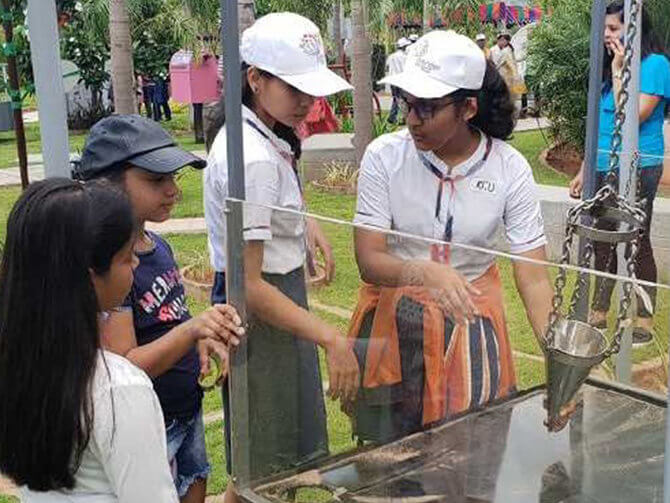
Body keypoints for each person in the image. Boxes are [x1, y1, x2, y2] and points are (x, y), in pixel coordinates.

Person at [347, 30, 557, 442]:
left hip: (472, 324)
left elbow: (533, 276)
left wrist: (557, 360)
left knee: (470, 454)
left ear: (468, 108)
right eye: (407, 102)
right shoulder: (385, 156)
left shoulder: (508, 168)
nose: (411, 118)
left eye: (427, 107)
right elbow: (369, 259)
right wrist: (426, 274)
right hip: (398, 324)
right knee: (393, 459)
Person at [204, 11, 360, 500]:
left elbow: (271, 204)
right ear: (256, 79)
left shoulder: (261, 134)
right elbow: (247, 283)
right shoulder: (251, 156)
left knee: (272, 466)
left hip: (277, 300)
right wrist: (331, 338)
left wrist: (304, 222)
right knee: (264, 474)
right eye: (295, 89)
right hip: (262, 311)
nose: (307, 102)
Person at [74, 115, 244, 503]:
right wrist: (192, 330)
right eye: (155, 180)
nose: (172, 191)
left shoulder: (158, 247)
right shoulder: (111, 274)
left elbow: (171, 318)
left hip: (186, 408)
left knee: (194, 483)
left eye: (173, 179)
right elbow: (125, 364)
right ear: (107, 184)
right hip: (148, 424)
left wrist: (198, 340)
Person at [0, 179, 178, 501]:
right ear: (89, 275)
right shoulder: (118, 389)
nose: (136, 264)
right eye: (126, 258)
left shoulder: (17, 366)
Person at [569, 0, 670, 345]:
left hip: (639, 165)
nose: (607, 36)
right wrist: (585, 169)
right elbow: (599, 125)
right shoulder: (603, 69)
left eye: (613, 29)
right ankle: (598, 311)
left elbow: (631, 118)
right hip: (602, 165)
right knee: (600, 239)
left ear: (633, 30)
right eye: (605, 30)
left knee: (636, 241)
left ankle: (643, 316)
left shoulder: (655, 65)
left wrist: (619, 68)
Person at [490, 31, 524, 109]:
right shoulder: (493, 50)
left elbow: (513, 64)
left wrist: (516, 76)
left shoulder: (509, 50)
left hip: (508, 77)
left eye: (505, 40)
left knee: (510, 97)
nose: (503, 41)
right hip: (498, 75)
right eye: (501, 39)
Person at [386, 37, 412, 124]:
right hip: (401, 80)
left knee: (396, 99)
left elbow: (387, 67)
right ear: (404, 47)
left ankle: (393, 117)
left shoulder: (391, 56)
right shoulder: (405, 57)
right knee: (403, 99)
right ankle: (404, 118)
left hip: (392, 81)